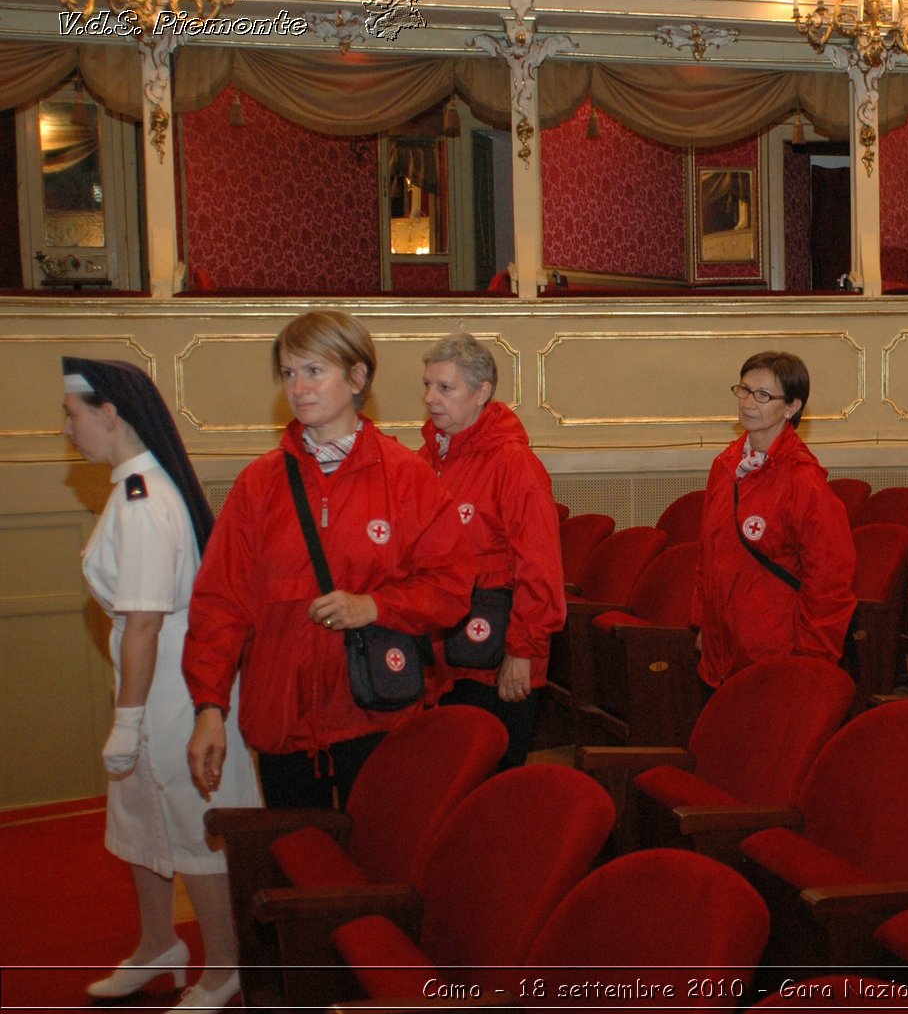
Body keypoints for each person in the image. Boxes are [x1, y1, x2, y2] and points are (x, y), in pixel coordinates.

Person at [184, 309, 472, 810]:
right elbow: (221, 602)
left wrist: (374, 607)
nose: (299, 388)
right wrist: (209, 706)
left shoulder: (407, 478)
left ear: (357, 377)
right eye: (289, 373)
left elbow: (450, 590)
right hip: (285, 721)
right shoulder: (260, 485)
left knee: (376, 870)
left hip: (378, 713)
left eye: (314, 371)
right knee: (295, 866)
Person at [62, 358, 259, 1012]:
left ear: (110, 414)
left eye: (74, 414)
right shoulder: (130, 487)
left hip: (170, 692)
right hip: (150, 686)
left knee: (193, 826)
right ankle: (158, 947)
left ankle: (225, 966)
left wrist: (128, 719)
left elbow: (143, 623)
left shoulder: (145, 500)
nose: (69, 430)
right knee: (142, 818)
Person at [418, 333, 565, 771]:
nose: (430, 398)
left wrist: (523, 653)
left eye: (445, 388)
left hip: (497, 656)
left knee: (489, 784)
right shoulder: (426, 461)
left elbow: (539, 568)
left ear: (481, 393)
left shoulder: (513, 465)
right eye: (427, 385)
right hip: (443, 656)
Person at [692, 350, 856, 694]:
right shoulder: (724, 466)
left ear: (792, 407)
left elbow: (828, 584)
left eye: (763, 395)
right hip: (721, 652)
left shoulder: (804, 481)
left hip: (773, 654)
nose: (749, 403)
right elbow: (707, 555)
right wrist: (702, 622)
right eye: (744, 390)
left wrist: (812, 662)